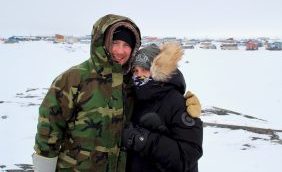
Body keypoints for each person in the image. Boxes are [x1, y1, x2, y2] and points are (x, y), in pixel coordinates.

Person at [33, 14, 142, 171]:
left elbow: (159, 101)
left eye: (126, 45)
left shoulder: (132, 81)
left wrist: (184, 107)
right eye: (115, 43)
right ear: (103, 42)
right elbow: (49, 129)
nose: (120, 51)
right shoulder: (73, 79)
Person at [121, 43, 203, 172]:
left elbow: (187, 156)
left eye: (145, 69)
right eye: (135, 70)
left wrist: (143, 140)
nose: (139, 75)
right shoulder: (134, 98)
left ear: (159, 70)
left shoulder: (177, 102)